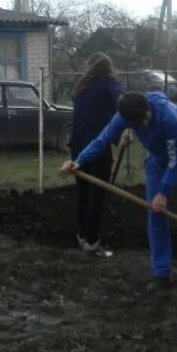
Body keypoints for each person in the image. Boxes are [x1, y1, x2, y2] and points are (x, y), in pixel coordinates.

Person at [63, 91, 177, 291]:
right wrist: (79, 161)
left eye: (146, 118)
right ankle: (161, 274)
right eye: (139, 122)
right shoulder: (123, 116)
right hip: (158, 162)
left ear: (148, 108)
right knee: (156, 215)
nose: (144, 123)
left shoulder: (169, 117)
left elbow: (175, 160)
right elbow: (102, 139)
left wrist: (164, 192)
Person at [68, 53, 122, 258]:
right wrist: (125, 126)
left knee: (83, 194)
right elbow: (121, 101)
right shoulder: (109, 82)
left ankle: (81, 236)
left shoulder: (81, 88)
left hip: (78, 148)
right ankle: (92, 242)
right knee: (97, 196)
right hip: (98, 148)